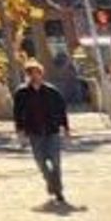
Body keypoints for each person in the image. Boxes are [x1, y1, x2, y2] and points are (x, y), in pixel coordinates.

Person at [12, 59, 73, 205]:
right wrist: (19, 131)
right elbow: (17, 113)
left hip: (52, 131)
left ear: (41, 73)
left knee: (55, 161)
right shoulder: (22, 93)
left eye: (36, 73)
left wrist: (66, 129)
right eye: (30, 73)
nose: (34, 76)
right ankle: (50, 182)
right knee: (41, 162)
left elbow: (61, 111)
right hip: (34, 132)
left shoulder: (52, 91)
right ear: (27, 75)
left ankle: (58, 191)